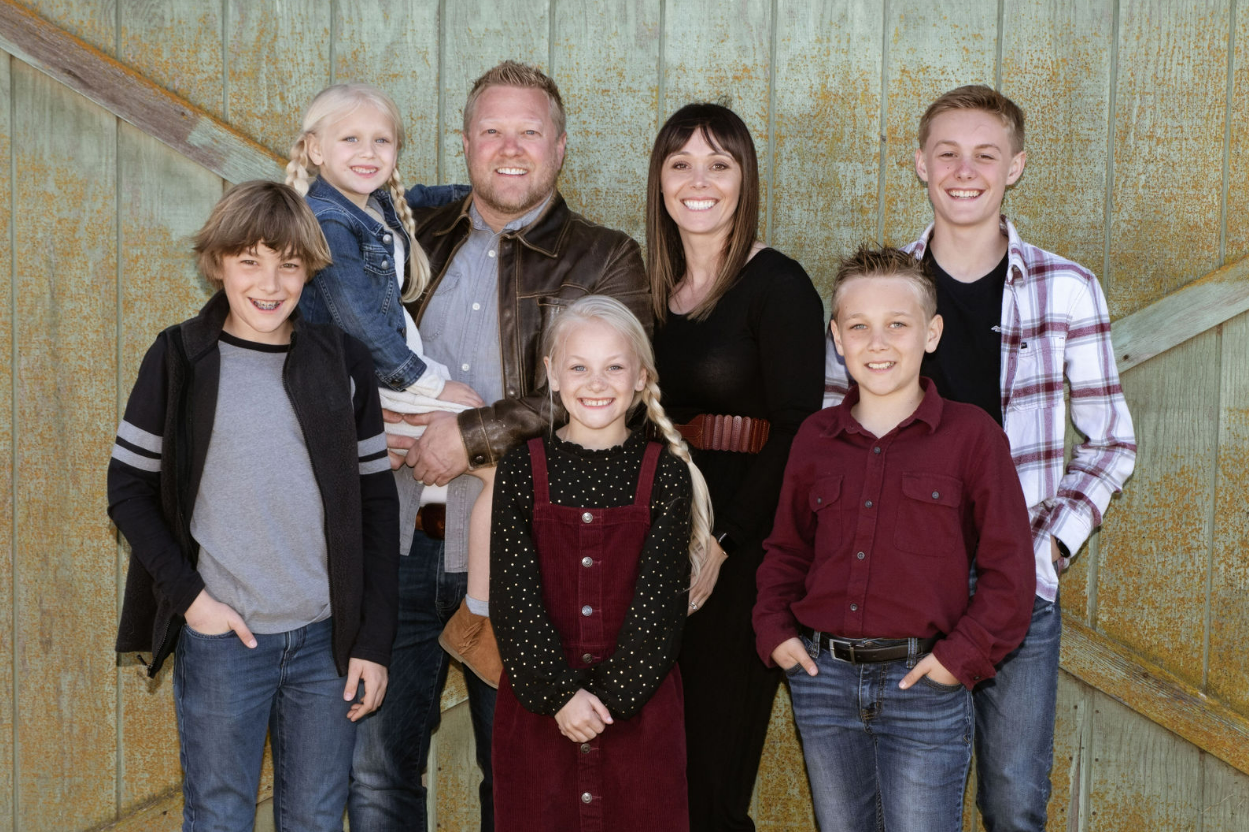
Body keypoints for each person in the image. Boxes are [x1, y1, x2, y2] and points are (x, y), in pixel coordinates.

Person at [823, 85, 1137, 830]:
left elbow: (1111, 440)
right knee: (902, 808)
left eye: (985, 155)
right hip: (900, 585)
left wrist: (1045, 547)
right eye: (948, 154)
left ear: (1014, 167)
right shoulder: (877, 291)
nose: (964, 172)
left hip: (1015, 581)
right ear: (919, 164)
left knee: (1014, 800)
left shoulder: (1066, 289)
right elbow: (834, 434)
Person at [350, 60, 651, 832]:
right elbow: (329, 309)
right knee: (377, 773)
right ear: (464, 143)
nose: (509, 148)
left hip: (525, 552)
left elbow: (608, 391)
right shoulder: (404, 235)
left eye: (528, 132)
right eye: (491, 131)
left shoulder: (606, 257)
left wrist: (470, 436)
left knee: (519, 774)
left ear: (559, 147)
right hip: (396, 543)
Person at [108, 180, 400, 831]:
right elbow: (127, 489)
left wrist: (372, 642)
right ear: (217, 263)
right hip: (224, 640)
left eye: (289, 264)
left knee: (316, 818)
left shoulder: (344, 362)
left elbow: (378, 507)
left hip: (327, 642)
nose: (270, 283)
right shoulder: (178, 358)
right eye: (249, 261)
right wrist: (193, 601)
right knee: (219, 816)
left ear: (310, 270)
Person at [755, 245, 1036, 831]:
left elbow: (1010, 572)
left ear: (931, 334)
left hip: (925, 685)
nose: (877, 342)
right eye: (859, 326)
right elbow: (787, 551)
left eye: (897, 325)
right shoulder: (815, 437)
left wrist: (958, 660)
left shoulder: (973, 437)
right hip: (824, 683)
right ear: (837, 338)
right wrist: (775, 631)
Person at [285, 82, 503, 688]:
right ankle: (479, 617)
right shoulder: (327, 222)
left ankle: (472, 606)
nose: (368, 152)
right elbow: (359, 322)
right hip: (369, 375)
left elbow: (428, 196)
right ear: (315, 150)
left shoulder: (375, 200)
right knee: (485, 448)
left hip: (382, 372)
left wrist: (484, 190)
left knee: (454, 453)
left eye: (382, 141)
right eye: (350, 139)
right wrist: (430, 385)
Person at [646, 102, 826, 831]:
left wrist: (724, 543)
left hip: (739, 553)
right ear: (660, 180)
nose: (699, 181)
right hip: (656, 538)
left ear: (744, 179)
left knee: (711, 779)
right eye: (681, 164)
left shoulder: (777, 285)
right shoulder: (651, 290)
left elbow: (799, 430)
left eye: (718, 165)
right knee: (656, 772)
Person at [490, 295, 712, 831]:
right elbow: (514, 599)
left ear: (641, 377)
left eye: (614, 367)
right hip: (541, 707)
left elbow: (660, 608)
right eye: (579, 367)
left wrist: (604, 701)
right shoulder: (520, 470)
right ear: (552, 374)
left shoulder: (667, 475)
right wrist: (562, 696)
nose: (596, 383)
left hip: (636, 712)